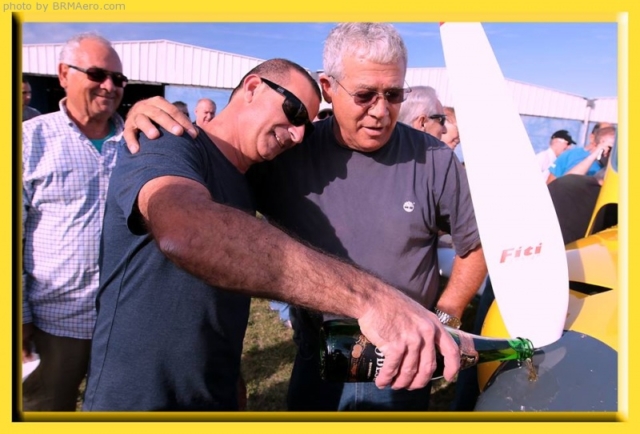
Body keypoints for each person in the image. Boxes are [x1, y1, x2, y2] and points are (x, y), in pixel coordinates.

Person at [123, 23, 486, 412]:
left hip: (398, 362)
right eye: (365, 95)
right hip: (316, 354)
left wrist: (443, 317)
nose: (380, 111)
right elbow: (220, 161)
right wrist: (148, 116)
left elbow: (474, 245)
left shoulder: (434, 159)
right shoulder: (290, 148)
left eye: (393, 95)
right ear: (329, 87)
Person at [22, 33, 128, 411]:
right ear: (64, 74)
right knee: (44, 412)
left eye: (118, 79)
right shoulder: (27, 141)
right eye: (98, 74)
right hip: (54, 323)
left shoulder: (137, 143)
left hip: (124, 322)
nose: (109, 86)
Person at [547, 125, 616, 183]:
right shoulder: (571, 155)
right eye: (610, 148)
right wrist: (595, 155)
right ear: (595, 144)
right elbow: (552, 183)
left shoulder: (615, 168)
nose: (611, 152)